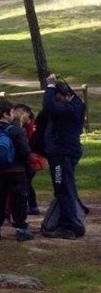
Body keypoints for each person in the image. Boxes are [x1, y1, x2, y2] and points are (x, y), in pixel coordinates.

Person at [0, 99, 33, 242]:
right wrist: (19, 161)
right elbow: (26, 151)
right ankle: (21, 230)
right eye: (12, 112)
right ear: (6, 114)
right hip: (16, 170)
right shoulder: (16, 131)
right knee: (19, 199)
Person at [40, 74, 87, 238]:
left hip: (62, 153)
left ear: (64, 95)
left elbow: (49, 108)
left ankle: (70, 226)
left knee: (63, 188)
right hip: (62, 151)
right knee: (66, 187)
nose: (55, 100)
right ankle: (72, 221)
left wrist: (50, 87)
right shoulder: (72, 105)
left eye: (56, 97)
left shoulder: (73, 108)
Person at [11, 103, 44, 216]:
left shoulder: (35, 127)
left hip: (33, 158)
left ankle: (31, 205)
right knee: (25, 183)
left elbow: (34, 143)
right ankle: (31, 205)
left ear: (28, 113)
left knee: (26, 182)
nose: (20, 116)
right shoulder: (19, 127)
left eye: (21, 114)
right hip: (23, 158)